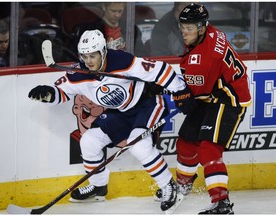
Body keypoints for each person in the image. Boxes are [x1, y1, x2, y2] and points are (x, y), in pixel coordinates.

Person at [28, 29, 196, 212]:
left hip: (147, 105)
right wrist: (48, 94)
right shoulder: (78, 73)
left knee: (139, 146)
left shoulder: (122, 61)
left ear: (103, 52)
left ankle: (168, 186)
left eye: (93, 55)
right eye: (84, 56)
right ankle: (99, 186)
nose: (88, 61)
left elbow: (160, 70)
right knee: (89, 141)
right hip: (121, 112)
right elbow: (61, 92)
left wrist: (181, 92)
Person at [155, 3, 252, 214]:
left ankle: (221, 202)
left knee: (209, 148)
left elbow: (193, 96)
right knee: (186, 141)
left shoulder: (202, 61)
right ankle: (184, 183)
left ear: (201, 27)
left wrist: (182, 98)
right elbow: (196, 92)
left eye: (189, 28)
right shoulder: (210, 33)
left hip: (230, 99)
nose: (184, 32)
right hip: (212, 92)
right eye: (183, 26)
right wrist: (185, 97)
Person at [75, 2, 146, 56]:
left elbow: (141, 53)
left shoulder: (131, 29)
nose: (117, 15)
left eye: (120, 11)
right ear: (104, 7)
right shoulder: (90, 30)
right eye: (113, 11)